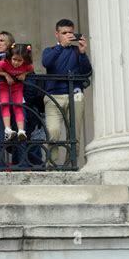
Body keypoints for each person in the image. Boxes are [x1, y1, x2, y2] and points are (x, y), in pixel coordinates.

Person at [42, 19, 92, 163]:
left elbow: (86, 72)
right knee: (53, 132)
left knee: (74, 135)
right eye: (64, 33)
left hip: (75, 95)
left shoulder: (77, 51)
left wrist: (82, 53)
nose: (68, 35)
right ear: (57, 34)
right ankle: (52, 166)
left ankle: (70, 165)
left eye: (70, 32)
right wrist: (61, 47)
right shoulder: (49, 50)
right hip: (53, 96)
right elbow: (46, 62)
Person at [0, 43, 34, 141]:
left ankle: (21, 131)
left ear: (24, 60)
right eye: (14, 59)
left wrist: (24, 74)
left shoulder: (27, 65)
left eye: (19, 60)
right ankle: (8, 130)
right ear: (10, 57)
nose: (16, 63)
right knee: (5, 105)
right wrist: (5, 74)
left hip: (17, 88)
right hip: (4, 87)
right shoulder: (4, 63)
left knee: (18, 106)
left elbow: (31, 69)